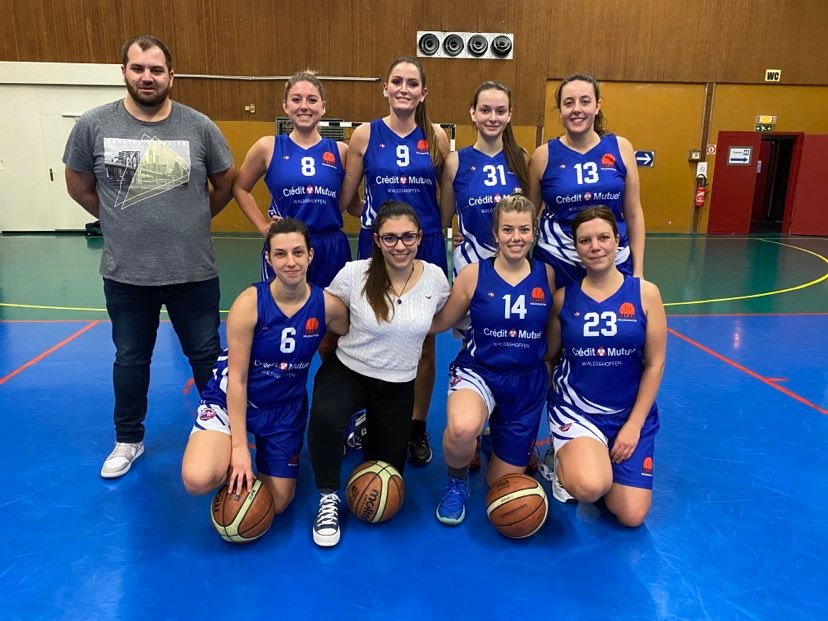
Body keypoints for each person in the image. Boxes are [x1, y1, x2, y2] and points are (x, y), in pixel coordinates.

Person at [63, 35, 236, 479]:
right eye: (138, 68)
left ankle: (222, 431)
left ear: (170, 76)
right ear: (123, 72)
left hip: (193, 271)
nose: (147, 77)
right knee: (130, 358)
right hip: (127, 273)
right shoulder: (93, 125)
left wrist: (194, 220)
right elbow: (79, 185)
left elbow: (224, 183)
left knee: (206, 355)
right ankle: (128, 438)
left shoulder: (198, 126)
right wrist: (115, 219)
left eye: (156, 70)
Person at [181, 218, 348, 516]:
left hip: (284, 408)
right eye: (280, 254)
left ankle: (243, 472)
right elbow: (238, 381)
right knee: (198, 479)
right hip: (233, 399)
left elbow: (354, 335)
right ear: (268, 259)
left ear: (311, 255)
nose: (290, 262)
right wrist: (239, 448)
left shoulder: (328, 307)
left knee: (277, 504)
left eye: (298, 253)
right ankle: (221, 458)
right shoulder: (249, 304)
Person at [307, 201, 450, 546]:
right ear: (376, 239)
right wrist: (328, 370)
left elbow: (442, 321)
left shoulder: (435, 278)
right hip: (349, 370)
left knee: (387, 474)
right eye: (390, 238)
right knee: (326, 418)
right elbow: (327, 323)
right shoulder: (353, 274)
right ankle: (327, 496)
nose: (399, 246)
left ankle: (365, 426)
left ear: (419, 238)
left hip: (397, 385)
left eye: (407, 237)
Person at [339, 56, 451, 466]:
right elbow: (349, 196)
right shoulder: (365, 135)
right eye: (396, 82)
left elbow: (445, 198)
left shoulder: (435, 135)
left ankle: (417, 425)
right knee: (368, 331)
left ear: (423, 92)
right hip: (377, 244)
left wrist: (429, 235)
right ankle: (371, 416)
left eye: (412, 83)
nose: (404, 89)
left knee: (423, 342)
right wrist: (373, 222)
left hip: (425, 244)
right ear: (385, 87)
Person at [428, 193, 554, 525]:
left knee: (500, 487)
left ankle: (494, 441)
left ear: (533, 233)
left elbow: (555, 334)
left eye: (524, 230)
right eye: (508, 230)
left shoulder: (548, 276)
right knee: (460, 429)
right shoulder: (473, 275)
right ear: (495, 234)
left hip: (526, 382)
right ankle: (456, 484)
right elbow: (441, 322)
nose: (516, 238)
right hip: (480, 372)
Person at [545, 206, 666, 527]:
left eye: (602, 237)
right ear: (576, 248)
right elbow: (549, 356)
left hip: (627, 414)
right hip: (578, 412)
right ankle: (563, 461)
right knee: (590, 486)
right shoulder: (563, 299)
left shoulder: (646, 294)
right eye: (585, 240)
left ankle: (598, 461)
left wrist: (634, 426)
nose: (595, 246)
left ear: (617, 241)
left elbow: (655, 364)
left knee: (631, 515)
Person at [233, 70, 351, 289]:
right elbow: (240, 187)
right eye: (296, 100)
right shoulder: (267, 147)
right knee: (282, 314)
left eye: (312, 100)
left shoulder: (341, 151)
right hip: (287, 245)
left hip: (330, 246)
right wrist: (262, 226)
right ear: (285, 106)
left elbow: (350, 203)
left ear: (323, 107)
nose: (304, 106)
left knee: (334, 316)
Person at [528, 73, 645, 290]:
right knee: (556, 323)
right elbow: (528, 216)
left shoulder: (621, 148)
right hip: (558, 259)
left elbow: (634, 213)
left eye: (585, 101)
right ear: (560, 110)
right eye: (569, 103)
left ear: (598, 106)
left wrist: (638, 270)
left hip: (613, 258)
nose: (577, 109)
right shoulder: (542, 156)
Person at [440, 80, 528, 277]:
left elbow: (529, 212)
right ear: (473, 113)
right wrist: (454, 237)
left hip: (513, 263)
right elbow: (443, 221)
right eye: (485, 110)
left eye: (500, 111)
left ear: (509, 115)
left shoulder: (521, 157)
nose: (493, 118)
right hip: (470, 264)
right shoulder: (455, 162)